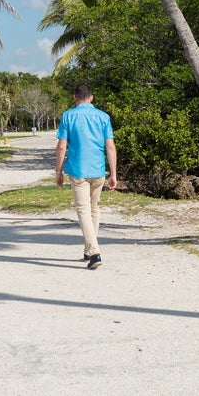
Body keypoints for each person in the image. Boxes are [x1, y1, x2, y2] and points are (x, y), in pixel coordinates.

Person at [55, 83, 116, 270]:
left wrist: (58, 171)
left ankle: (95, 252)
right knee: (93, 210)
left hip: (78, 170)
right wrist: (113, 173)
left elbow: (61, 146)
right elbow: (110, 146)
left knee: (83, 210)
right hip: (98, 170)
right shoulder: (103, 117)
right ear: (92, 97)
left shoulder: (68, 116)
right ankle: (88, 250)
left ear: (75, 98)